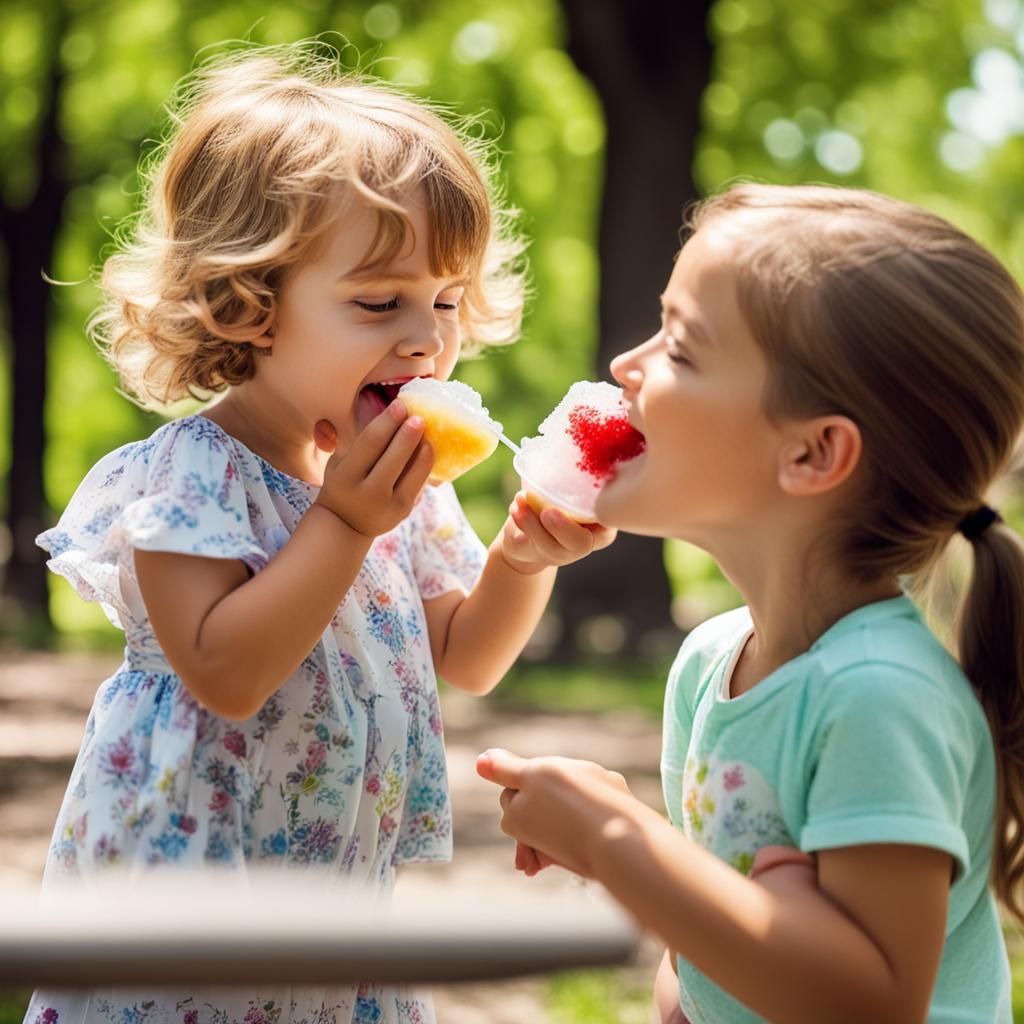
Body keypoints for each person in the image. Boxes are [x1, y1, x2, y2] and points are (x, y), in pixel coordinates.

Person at [26, 44, 614, 1024]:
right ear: (248, 303)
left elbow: (463, 656)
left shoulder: (400, 482)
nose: (424, 336)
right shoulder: (191, 476)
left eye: (445, 301)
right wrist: (341, 522)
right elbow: (224, 669)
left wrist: (520, 556)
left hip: (339, 903)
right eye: (378, 302)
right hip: (187, 908)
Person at [477, 182, 1024, 1023]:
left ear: (812, 453)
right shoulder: (711, 663)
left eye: (681, 349)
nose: (627, 365)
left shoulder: (880, 695)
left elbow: (869, 1001)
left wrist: (621, 843)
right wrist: (628, 841)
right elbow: (721, 951)